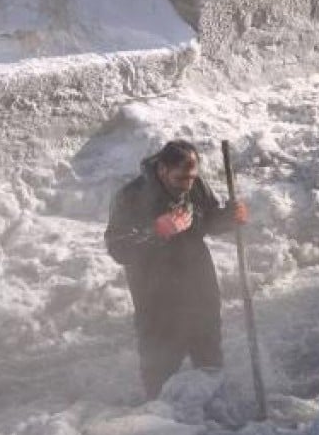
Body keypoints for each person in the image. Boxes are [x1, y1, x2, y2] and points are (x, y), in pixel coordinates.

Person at [105, 140, 249, 399]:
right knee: (160, 363)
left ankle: (213, 407)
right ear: (162, 170)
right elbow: (118, 247)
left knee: (208, 353)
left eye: (192, 177)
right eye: (181, 178)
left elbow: (207, 220)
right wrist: (156, 232)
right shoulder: (131, 196)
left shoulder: (195, 185)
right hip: (155, 291)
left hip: (198, 282)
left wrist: (229, 217)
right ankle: (159, 415)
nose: (188, 184)